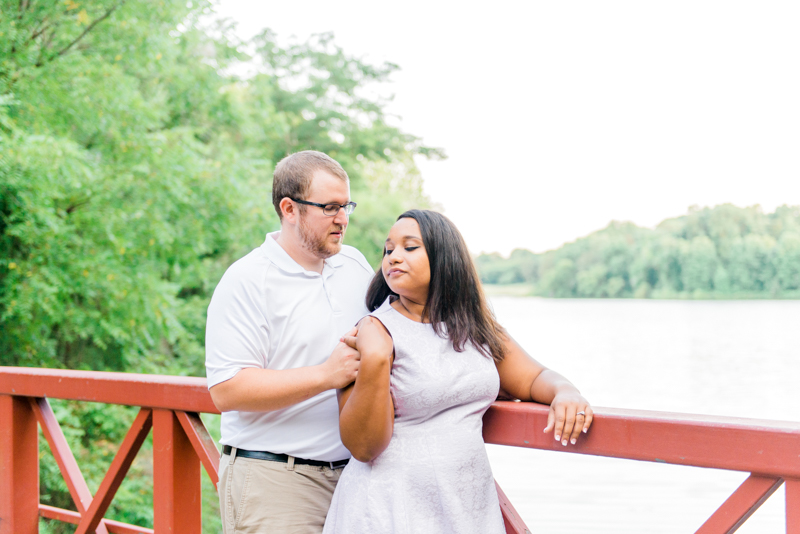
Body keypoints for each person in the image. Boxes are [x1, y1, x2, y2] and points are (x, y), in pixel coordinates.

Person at [323, 209, 594, 534]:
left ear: (444, 258)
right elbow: (364, 447)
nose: (393, 257)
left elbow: (533, 378)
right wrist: (378, 358)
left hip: (465, 505)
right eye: (388, 248)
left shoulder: (473, 327)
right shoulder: (373, 333)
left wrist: (566, 392)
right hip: (389, 507)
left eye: (409, 247)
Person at [205, 151, 374, 534]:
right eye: (330, 207)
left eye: (347, 206)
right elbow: (228, 390)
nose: (343, 219)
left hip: (355, 480)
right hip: (275, 480)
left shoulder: (355, 265)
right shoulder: (247, 279)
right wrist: (326, 375)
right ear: (289, 208)